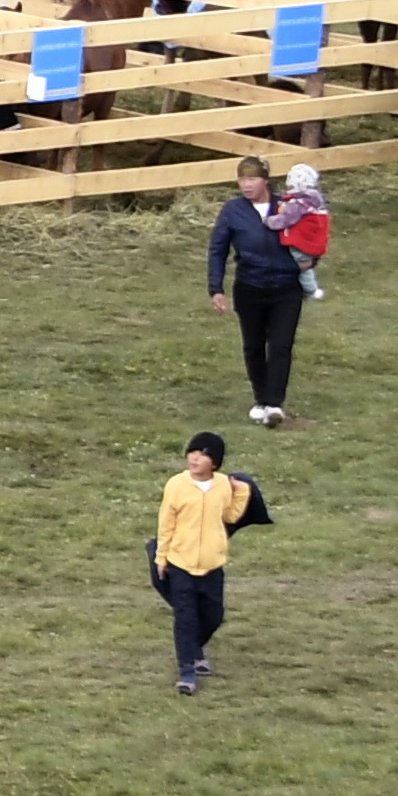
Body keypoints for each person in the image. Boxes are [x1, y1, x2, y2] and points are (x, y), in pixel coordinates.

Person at [152, 432, 270, 692]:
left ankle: (194, 650)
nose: (194, 458)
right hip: (180, 563)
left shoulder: (223, 485)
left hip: (212, 565)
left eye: (202, 454)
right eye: (192, 452)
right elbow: (166, 523)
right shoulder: (176, 484)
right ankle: (187, 672)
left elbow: (231, 516)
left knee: (214, 616)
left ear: (214, 462)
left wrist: (242, 491)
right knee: (185, 618)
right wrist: (162, 557)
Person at [207, 159, 310, 426]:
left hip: (286, 288)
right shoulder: (233, 211)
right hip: (250, 288)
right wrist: (216, 288)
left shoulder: (288, 205)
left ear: (265, 180)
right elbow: (218, 249)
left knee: (281, 345)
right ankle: (261, 398)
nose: (246, 185)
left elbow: (312, 234)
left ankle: (274, 404)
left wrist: (311, 261)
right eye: (242, 179)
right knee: (253, 346)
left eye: (252, 179)